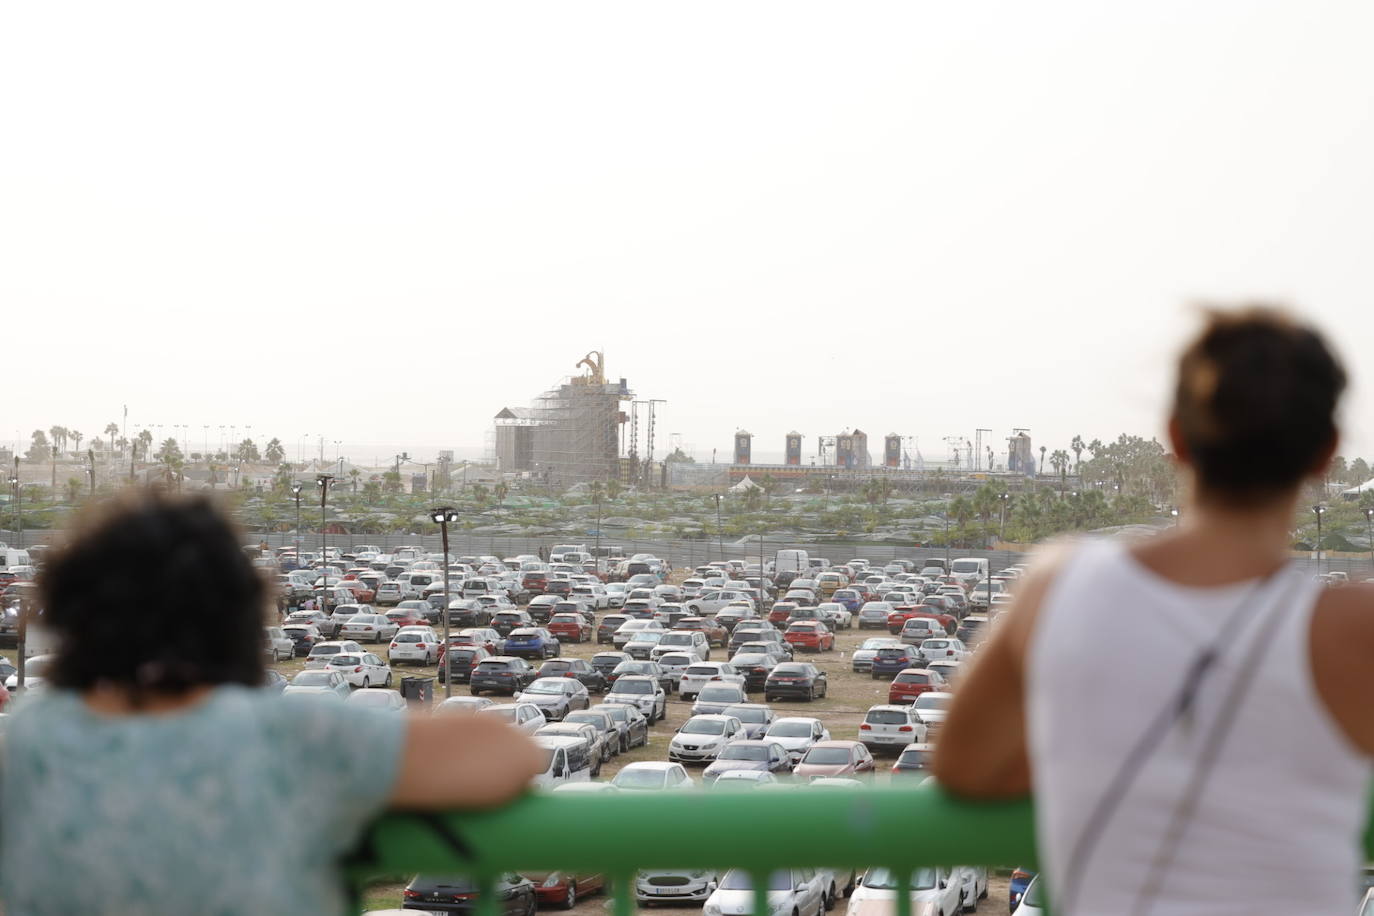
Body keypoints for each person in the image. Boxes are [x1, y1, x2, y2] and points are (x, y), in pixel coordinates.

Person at [935, 307, 1372, 915]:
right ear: (1325, 454)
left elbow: (963, 766)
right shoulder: (1355, 630)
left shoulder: (1059, 586)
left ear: (1176, 437)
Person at [0, 491, 541, 914]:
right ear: (237, 616)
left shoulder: (26, 744)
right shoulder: (289, 739)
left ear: (72, 618)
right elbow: (507, 754)